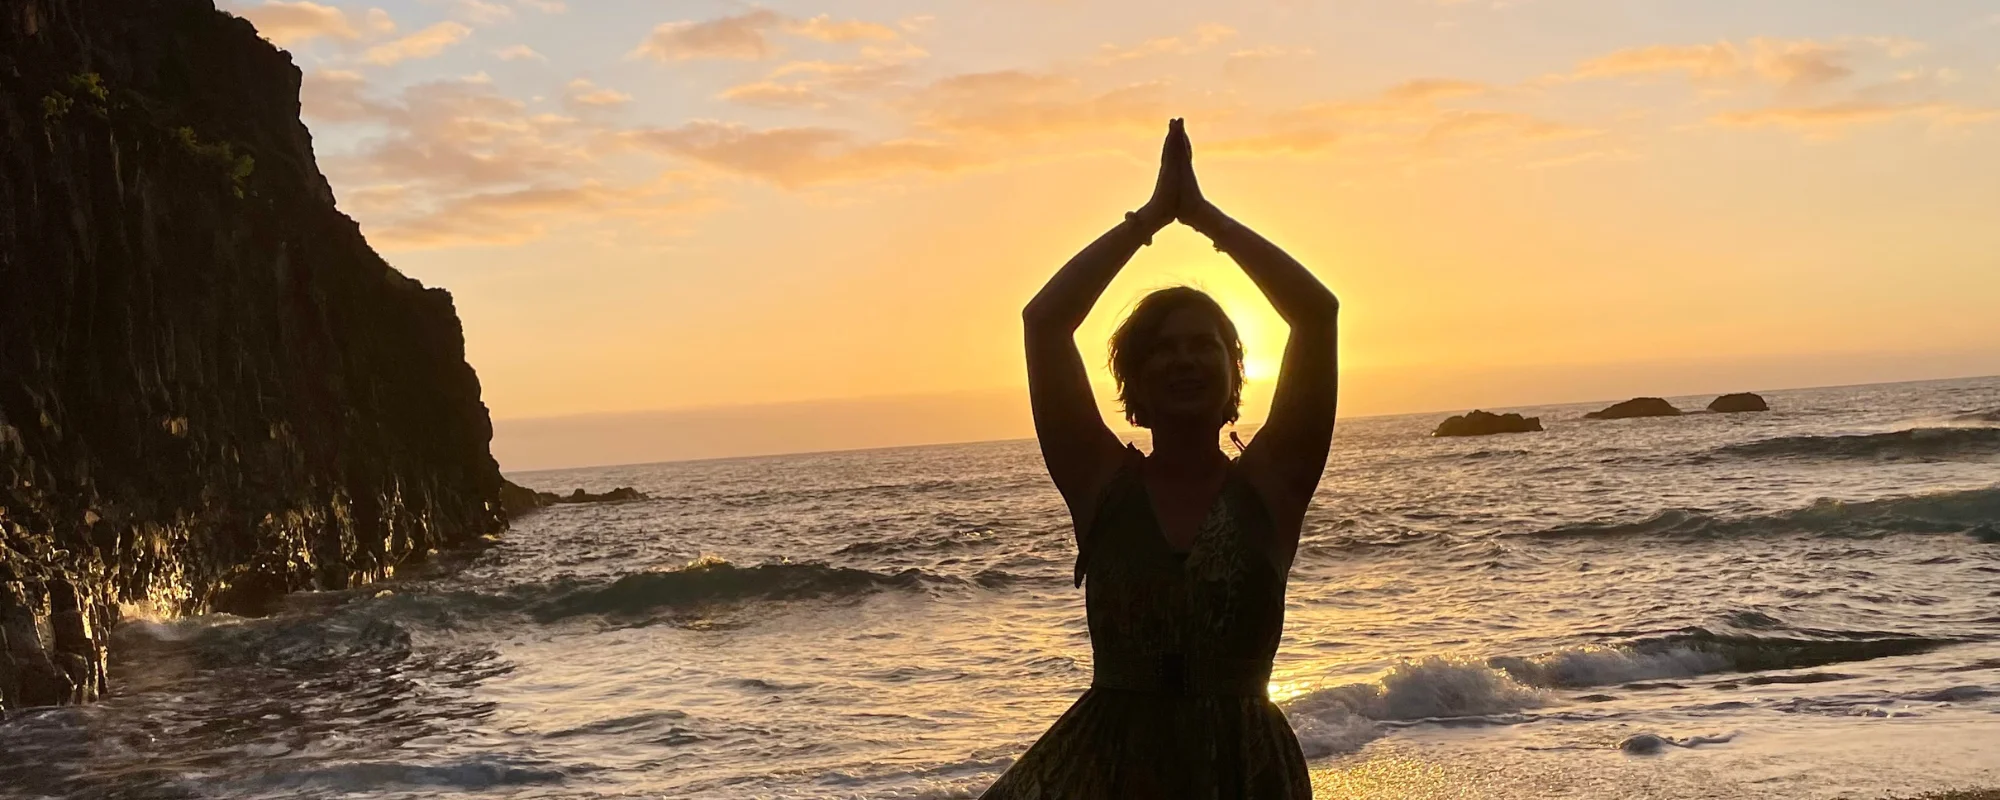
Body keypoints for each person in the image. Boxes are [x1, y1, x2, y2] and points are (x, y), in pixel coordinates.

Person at [982, 119, 1338, 798]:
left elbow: (1316, 315)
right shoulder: (1100, 484)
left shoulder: (1273, 487)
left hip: (1243, 768)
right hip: (1113, 767)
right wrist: (1147, 220)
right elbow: (1045, 322)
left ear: (1236, 374)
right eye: (1162, 349)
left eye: (1204, 345)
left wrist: (1207, 219)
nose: (1184, 360)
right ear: (1133, 381)